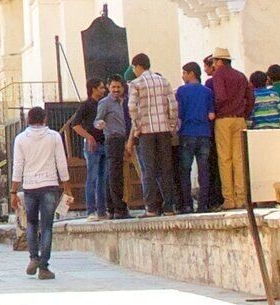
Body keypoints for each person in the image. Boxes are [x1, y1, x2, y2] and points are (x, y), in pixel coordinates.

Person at [7, 108, 67, 280]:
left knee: (32, 224)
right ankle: (44, 267)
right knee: (47, 226)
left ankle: (33, 257)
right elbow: (61, 163)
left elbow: (18, 166)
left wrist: (13, 191)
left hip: (30, 187)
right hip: (49, 185)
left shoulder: (20, 139)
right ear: (45, 119)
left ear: (28, 120)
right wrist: (67, 186)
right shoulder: (54, 137)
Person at [125, 54, 179, 215]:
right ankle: (169, 207)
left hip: (146, 132)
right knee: (165, 169)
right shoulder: (164, 81)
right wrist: (171, 125)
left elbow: (132, 107)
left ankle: (152, 207)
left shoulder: (136, 83)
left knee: (148, 170)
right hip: (163, 130)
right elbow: (173, 105)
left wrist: (136, 127)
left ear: (138, 67)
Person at [206, 51, 254, 213]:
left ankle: (229, 199)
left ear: (219, 62)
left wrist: (217, 111)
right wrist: (244, 113)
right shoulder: (240, 75)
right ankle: (241, 198)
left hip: (224, 119)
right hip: (239, 118)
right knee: (239, 159)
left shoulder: (219, 75)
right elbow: (250, 97)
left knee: (225, 159)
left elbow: (220, 96)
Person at [175, 61, 218, 211]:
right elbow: (211, 115)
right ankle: (203, 205)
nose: (182, 76)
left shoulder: (181, 91)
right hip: (204, 133)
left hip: (187, 132)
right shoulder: (207, 92)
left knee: (185, 170)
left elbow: (178, 114)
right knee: (204, 170)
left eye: (184, 73)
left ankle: (187, 204)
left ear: (191, 73)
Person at [91, 78, 132, 218]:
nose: (116, 90)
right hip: (113, 140)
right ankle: (118, 209)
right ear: (109, 87)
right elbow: (97, 121)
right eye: (113, 87)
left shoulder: (125, 102)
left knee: (116, 174)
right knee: (115, 175)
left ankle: (114, 208)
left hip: (124, 139)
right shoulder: (105, 103)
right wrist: (100, 124)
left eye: (118, 87)